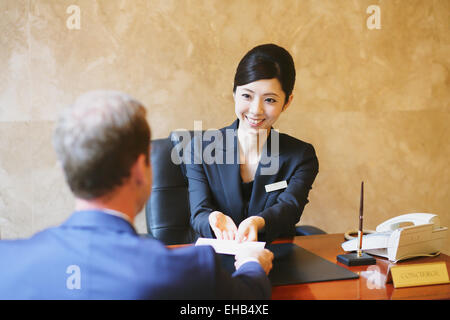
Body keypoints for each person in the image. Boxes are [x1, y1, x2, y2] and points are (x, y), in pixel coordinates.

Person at [0, 90, 273, 299]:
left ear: (64, 171)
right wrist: (252, 264)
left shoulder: (6, 263)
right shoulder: (191, 271)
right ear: (141, 170)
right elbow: (248, 300)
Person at [186, 44, 319, 243]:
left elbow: (290, 209)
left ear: (287, 102)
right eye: (247, 96)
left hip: (274, 259)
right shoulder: (199, 149)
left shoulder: (300, 157)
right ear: (234, 93)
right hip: (214, 259)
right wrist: (213, 218)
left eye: (270, 100)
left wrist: (259, 222)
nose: (256, 110)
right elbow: (199, 213)